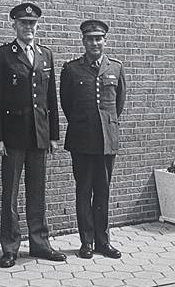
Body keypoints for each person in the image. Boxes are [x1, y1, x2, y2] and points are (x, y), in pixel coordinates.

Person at [0, 3, 66, 268]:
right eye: (23, 23)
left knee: (37, 192)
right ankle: (10, 247)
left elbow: (50, 98)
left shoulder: (45, 55)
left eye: (32, 24)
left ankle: (40, 244)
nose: (28, 27)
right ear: (14, 26)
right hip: (12, 136)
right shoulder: (2, 55)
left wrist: (53, 134)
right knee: (9, 193)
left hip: (39, 135)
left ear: (37, 26)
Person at [60, 19, 126, 260]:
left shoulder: (116, 68)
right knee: (84, 191)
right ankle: (86, 242)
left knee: (103, 192)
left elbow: (118, 104)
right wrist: (84, 124)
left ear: (105, 41)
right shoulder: (72, 69)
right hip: (81, 139)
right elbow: (66, 103)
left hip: (107, 141)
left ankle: (103, 241)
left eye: (99, 38)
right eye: (90, 39)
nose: (95, 43)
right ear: (83, 41)